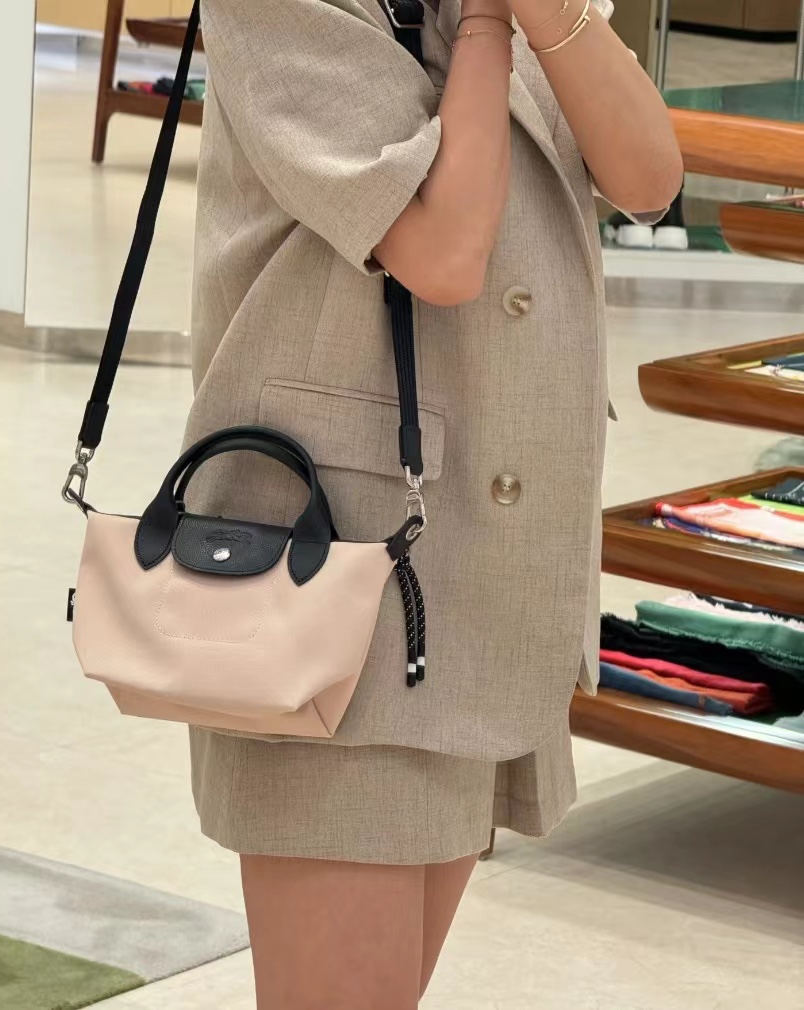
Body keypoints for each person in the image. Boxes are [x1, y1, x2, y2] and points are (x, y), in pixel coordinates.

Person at [185, 0, 683, 1006]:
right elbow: (444, 250)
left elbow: (648, 180)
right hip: (339, 586)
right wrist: (492, 28)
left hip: (485, 575)